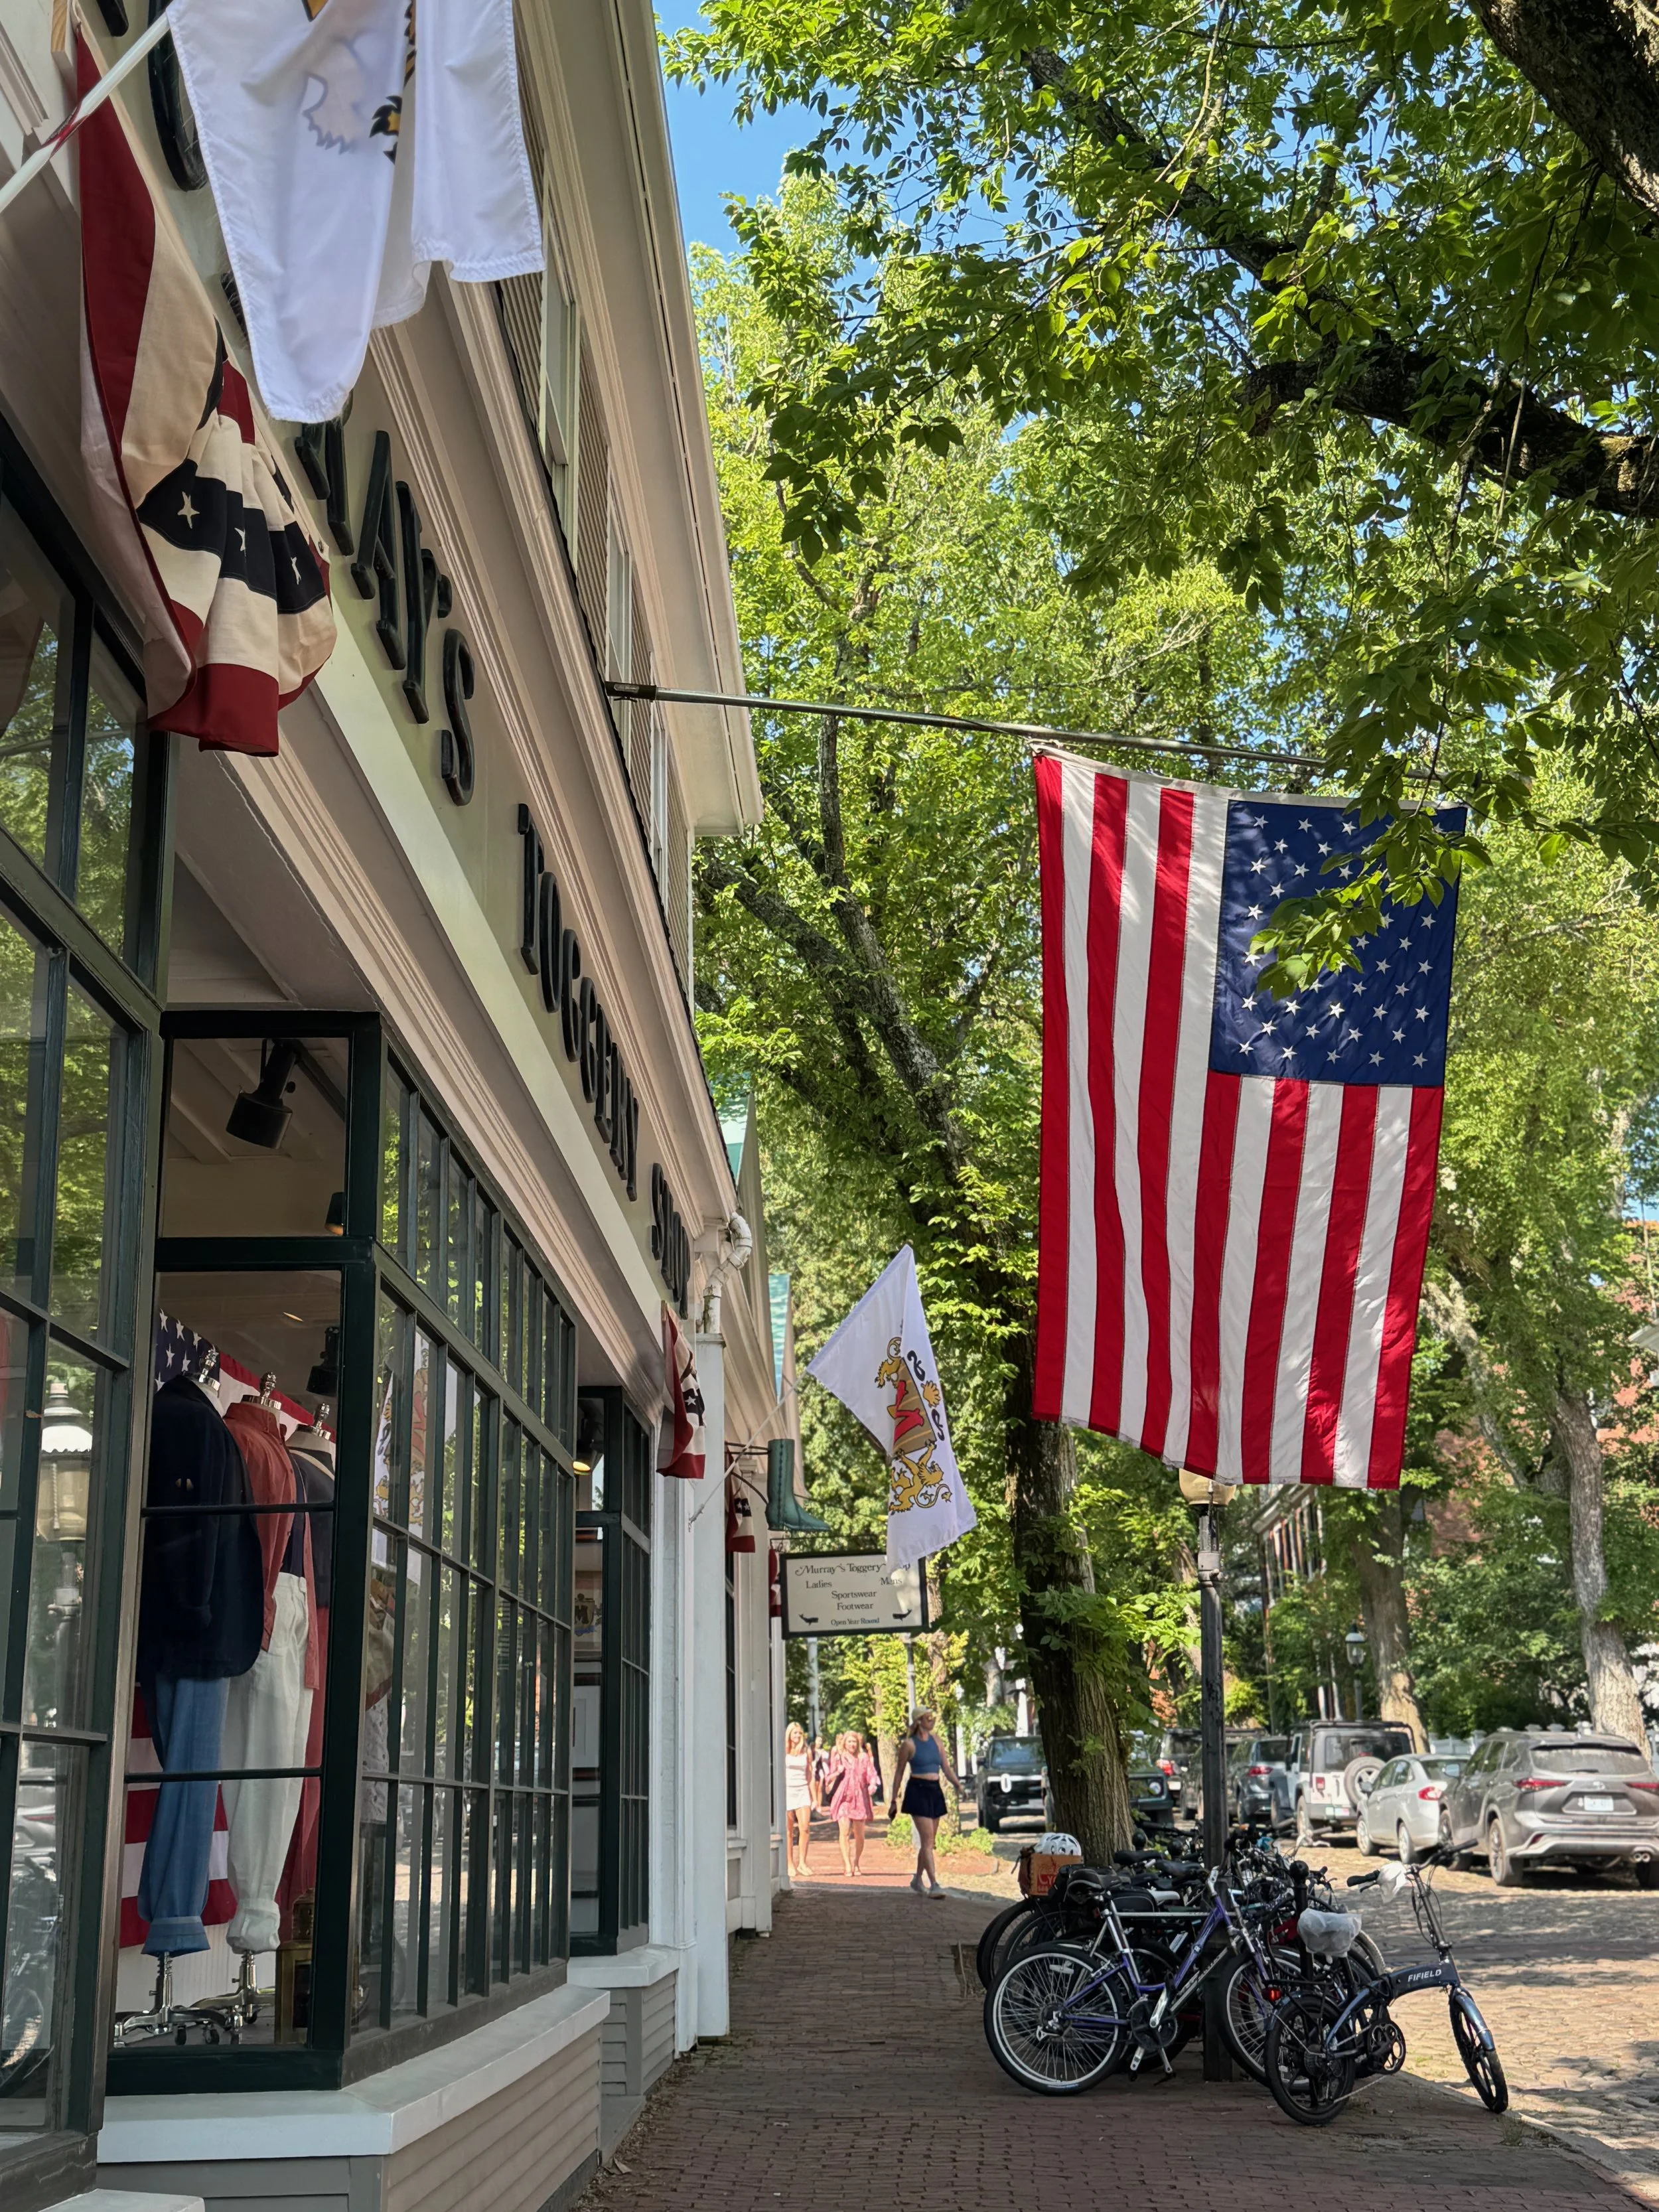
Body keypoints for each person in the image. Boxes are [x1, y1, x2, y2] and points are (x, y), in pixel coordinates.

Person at [891, 1710, 960, 1897]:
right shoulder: (909, 1745)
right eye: (929, 1719)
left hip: (934, 1790)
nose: (932, 1721)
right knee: (928, 1842)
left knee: (929, 1842)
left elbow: (946, 1767)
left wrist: (958, 1785)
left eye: (933, 1718)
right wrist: (893, 1800)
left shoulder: (936, 1741)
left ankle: (917, 1879)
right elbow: (899, 1772)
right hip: (918, 1790)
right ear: (919, 1721)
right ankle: (934, 1885)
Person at [824, 1729, 879, 1878]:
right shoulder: (839, 1757)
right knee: (844, 1832)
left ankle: (856, 1862)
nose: (852, 1744)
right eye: (849, 1741)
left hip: (860, 1799)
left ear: (858, 1743)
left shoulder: (864, 1757)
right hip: (844, 1799)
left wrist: (873, 1784)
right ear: (845, 1743)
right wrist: (837, 1772)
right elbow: (828, 1777)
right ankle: (847, 1865)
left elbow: (871, 1774)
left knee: (860, 1835)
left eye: (854, 1742)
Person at [783, 1721, 815, 1878]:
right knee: (789, 1831)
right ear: (789, 1734)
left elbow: (810, 1775)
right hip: (788, 1791)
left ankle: (802, 1862)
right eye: (794, 1733)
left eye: (799, 1733)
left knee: (805, 1828)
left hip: (802, 1790)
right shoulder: (784, 1751)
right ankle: (790, 1863)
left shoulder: (806, 1751)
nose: (797, 1736)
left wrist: (814, 1796)